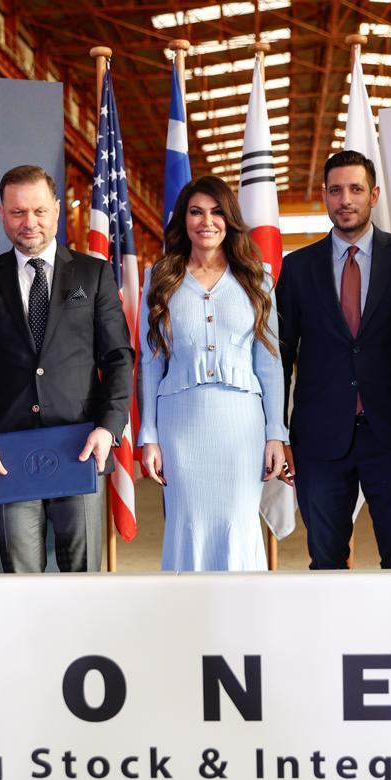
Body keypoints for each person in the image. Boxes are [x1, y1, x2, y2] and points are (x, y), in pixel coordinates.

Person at [0, 165, 133, 573]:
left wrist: (108, 427)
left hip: (81, 447)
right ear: (1, 213)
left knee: (83, 576)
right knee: (20, 578)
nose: (29, 222)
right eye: (17, 212)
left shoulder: (94, 273)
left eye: (38, 211)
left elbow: (118, 357)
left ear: (56, 209)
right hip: (8, 454)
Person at [277, 150, 391, 569]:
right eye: (336, 190)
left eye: (356, 189)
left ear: (374, 195)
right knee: (325, 562)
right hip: (319, 440)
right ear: (325, 195)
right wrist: (277, 432)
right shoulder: (297, 267)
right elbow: (280, 355)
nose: (345, 200)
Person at [138, 176, 287, 572]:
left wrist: (276, 433)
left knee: (239, 522)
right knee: (186, 523)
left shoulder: (258, 277)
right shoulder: (158, 278)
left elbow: (269, 363)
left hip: (242, 429)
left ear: (230, 219)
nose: (207, 221)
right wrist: (149, 436)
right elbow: (150, 364)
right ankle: (189, 609)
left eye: (217, 212)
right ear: (183, 220)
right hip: (180, 428)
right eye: (196, 212)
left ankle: (242, 609)